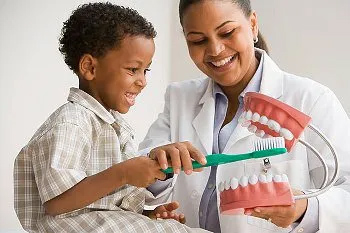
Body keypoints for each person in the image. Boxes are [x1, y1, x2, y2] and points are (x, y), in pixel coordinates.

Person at [139, 0, 350, 232]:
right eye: (198, 40)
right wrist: (159, 169)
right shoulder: (179, 97)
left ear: (253, 25)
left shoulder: (312, 99)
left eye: (227, 32)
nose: (215, 50)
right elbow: (140, 183)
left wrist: (303, 208)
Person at [13, 3, 209, 233]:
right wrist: (124, 173)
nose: (142, 81)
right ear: (89, 67)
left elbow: (103, 202)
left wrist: (147, 215)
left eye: (146, 71)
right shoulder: (72, 122)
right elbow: (57, 202)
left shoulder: (111, 125)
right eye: (133, 69)